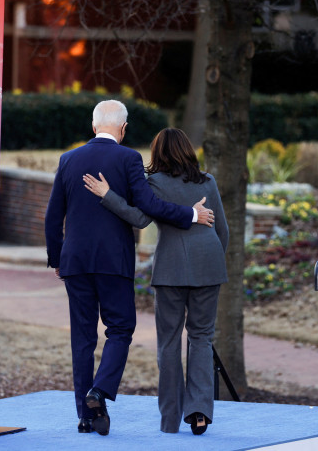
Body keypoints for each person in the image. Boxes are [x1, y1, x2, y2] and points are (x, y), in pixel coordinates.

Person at [44, 101, 215, 436]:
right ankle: (99, 391)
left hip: (75, 262)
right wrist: (191, 215)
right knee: (120, 330)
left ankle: (87, 415)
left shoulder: (68, 160)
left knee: (82, 338)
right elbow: (148, 207)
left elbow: (53, 216)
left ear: (94, 127)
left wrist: (57, 258)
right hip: (113, 262)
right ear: (123, 129)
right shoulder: (128, 158)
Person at [83, 127, 228, 435]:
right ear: (188, 150)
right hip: (208, 266)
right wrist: (211, 262)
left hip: (171, 270)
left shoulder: (155, 183)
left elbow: (140, 218)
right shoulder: (208, 181)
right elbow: (222, 232)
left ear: (157, 154)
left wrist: (107, 195)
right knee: (201, 338)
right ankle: (200, 412)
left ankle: (170, 420)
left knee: (169, 342)